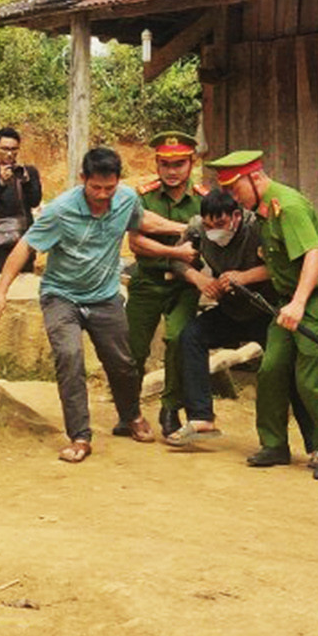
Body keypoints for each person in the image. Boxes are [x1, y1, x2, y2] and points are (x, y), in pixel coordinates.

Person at [0, 147, 185, 463]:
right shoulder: (60, 211)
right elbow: (25, 246)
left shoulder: (126, 199)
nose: (102, 195)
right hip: (61, 296)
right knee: (70, 357)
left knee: (122, 362)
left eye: (109, 188)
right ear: (82, 179)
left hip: (104, 296)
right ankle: (80, 436)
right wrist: (0, 292)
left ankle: (131, 415)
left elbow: (142, 220)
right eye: (95, 188)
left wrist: (181, 228)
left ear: (118, 182)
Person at [208, 149, 318, 480]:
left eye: (235, 189)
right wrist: (243, 278)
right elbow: (279, 263)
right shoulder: (263, 212)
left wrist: (298, 303)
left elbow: (313, 254)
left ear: (255, 177)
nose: (233, 198)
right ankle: (274, 445)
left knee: (308, 380)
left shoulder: (288, 206)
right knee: (270, 370)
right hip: (288, 302)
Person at [162, 189, 314, 451]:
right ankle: (201, 418)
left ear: (236, 216)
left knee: (286, 371)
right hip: (231, 311)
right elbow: (176, 260)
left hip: (267, 313)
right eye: (208, 225)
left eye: (220, 224)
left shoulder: (259, 227)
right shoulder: (198, 229)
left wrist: (243, 277)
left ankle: (316, 444)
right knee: (191, 336)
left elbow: (285, 265)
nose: (213, 231)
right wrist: (199, 279)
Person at [124, 131, 207, 436]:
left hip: (185, 286)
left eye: (179, 164)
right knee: (134, 349)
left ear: (191, 163)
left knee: (177, 341)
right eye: (165, 164)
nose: (172, 171)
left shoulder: (203, 199)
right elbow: (136, 242)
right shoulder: (142, 196)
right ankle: (129, 411)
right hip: (147, 281)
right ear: (157, 164)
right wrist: (178, 246)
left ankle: (170, 408)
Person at [0, 127, 43, 273]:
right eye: (5, 149)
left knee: (24, 278)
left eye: (14, 149)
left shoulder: (28, 172)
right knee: (0, 277)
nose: (9, 153)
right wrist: (1, 184)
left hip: (23, 237)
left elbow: (35, 201)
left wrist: (26, 182)